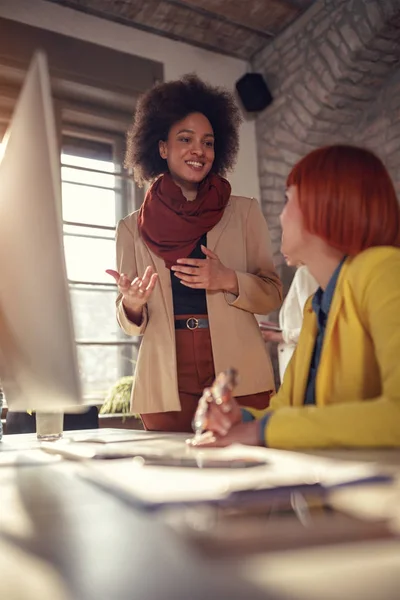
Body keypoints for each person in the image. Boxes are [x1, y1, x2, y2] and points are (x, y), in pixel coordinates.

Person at [107, 75, 282, 432]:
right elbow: (128, 323)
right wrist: (133, 303)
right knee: (174, 484)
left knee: (245, 475)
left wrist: (228, 279)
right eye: (184, 139)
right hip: (166, 375)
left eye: (208, 142)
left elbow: (272, 294)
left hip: (239, 371)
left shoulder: (244, 212)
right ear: (161, 149)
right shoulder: (130, 228)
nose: (197, 150)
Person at [195, 145, 400, 449]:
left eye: (288, 199)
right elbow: (287, 412)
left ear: (325, 205)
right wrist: (243, 420)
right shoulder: (314, 307)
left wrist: (260, 433)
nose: (280, 215)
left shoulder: (384, 270)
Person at [260, 258, 318, 382]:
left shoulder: (305, 273)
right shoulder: (309, 272)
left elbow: (314, 328)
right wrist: (279, 329)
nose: (282, 248)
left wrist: (276, 336)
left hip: (300, 367)